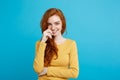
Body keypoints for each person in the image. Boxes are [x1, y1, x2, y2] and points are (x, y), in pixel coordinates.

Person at [33, 8, 79, 80]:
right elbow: (38, 69)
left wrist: (47, 70)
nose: (53, 28)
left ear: (62, 23)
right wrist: (43, 42)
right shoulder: (40, 43)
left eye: (57, 23)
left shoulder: (71, 44)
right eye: (49, 24)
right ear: (46, 25)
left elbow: (74, 73)